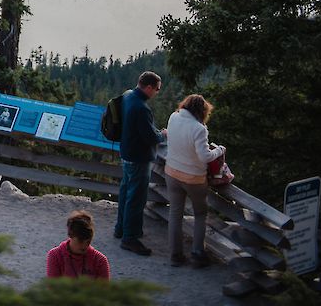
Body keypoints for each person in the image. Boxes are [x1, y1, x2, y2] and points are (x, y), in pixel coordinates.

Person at [165, 94, 225, 268]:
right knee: (200, 214)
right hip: (193, 178)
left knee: (175, 214)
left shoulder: (173, 117)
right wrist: (219, 150)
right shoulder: (199, 128)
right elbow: (205, 156)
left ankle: (175, 256)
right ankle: (198, 254)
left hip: (172, 172)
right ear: (202, 111)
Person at [114, 71, 167, 255]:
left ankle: (120, 228)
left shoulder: (128, 95)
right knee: (136, 199)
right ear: (149, 87)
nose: (157, 93)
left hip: (126, 152)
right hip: (139, 158)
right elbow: (150, 137)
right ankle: (130, 238)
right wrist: (163, 134)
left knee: (125, 192)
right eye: (157, 89)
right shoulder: (142, 108)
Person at [46, 210, 111, 280]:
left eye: (88, 241)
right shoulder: (55, 255)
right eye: (80, 241)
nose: (84, 246)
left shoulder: (100, 260)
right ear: (70, 235)